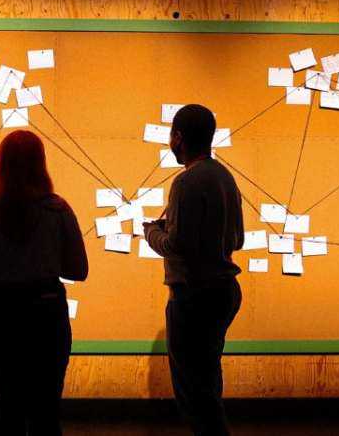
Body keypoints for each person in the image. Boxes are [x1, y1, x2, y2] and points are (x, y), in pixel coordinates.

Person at [0, 130, 89, 436]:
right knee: (46, 413)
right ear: (40, 164)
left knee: (6, 411)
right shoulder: (58, 210)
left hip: (0, 310)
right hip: (46, 310)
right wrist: (43, 263)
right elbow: (79, 270)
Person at [142, 104, 244, 436]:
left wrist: (151, 232)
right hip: (224, 293)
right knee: (208, 385)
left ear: (179, 137)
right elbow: (238, 239)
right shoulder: (225, 177)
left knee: (194, 395)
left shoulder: (186, 182)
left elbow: (177, 246)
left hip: (193, 297)